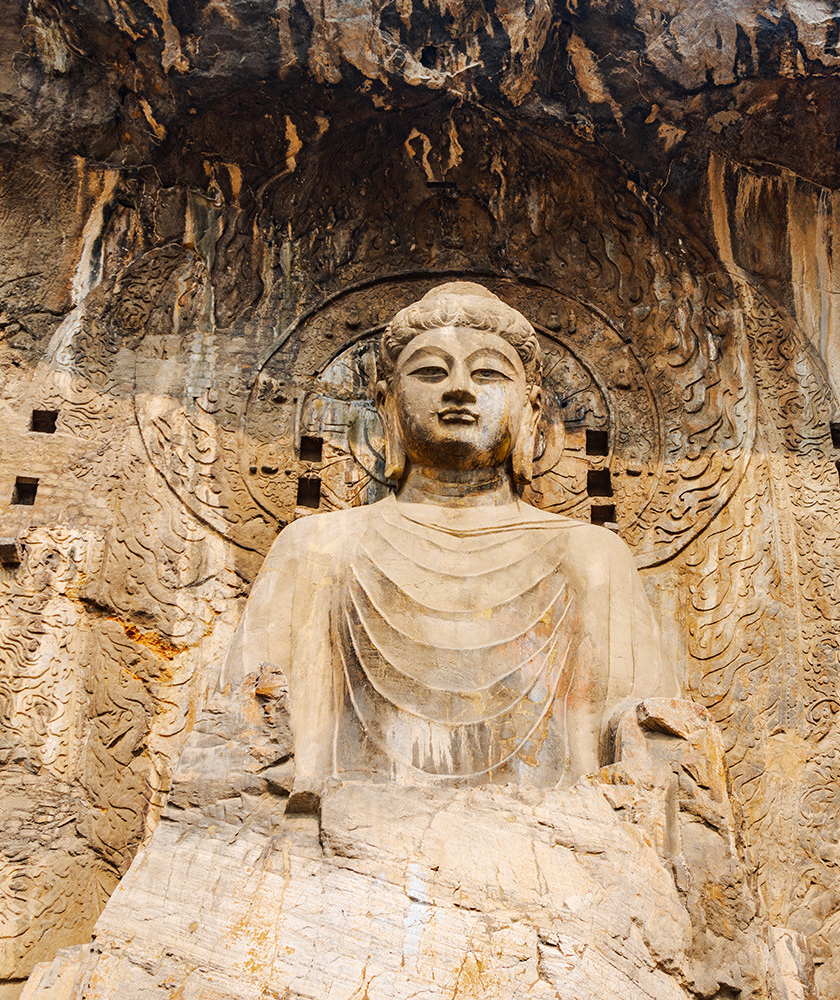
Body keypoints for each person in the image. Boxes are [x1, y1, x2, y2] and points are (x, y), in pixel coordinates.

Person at [221, 282, 677, 791]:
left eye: (487, 373)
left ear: (532, 409)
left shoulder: (591, 554)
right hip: (344, 841)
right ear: (386, 403)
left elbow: (645, 746)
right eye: (431, 372)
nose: (459, 388)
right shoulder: (318, 547)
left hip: (553, 842)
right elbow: (244, 736)